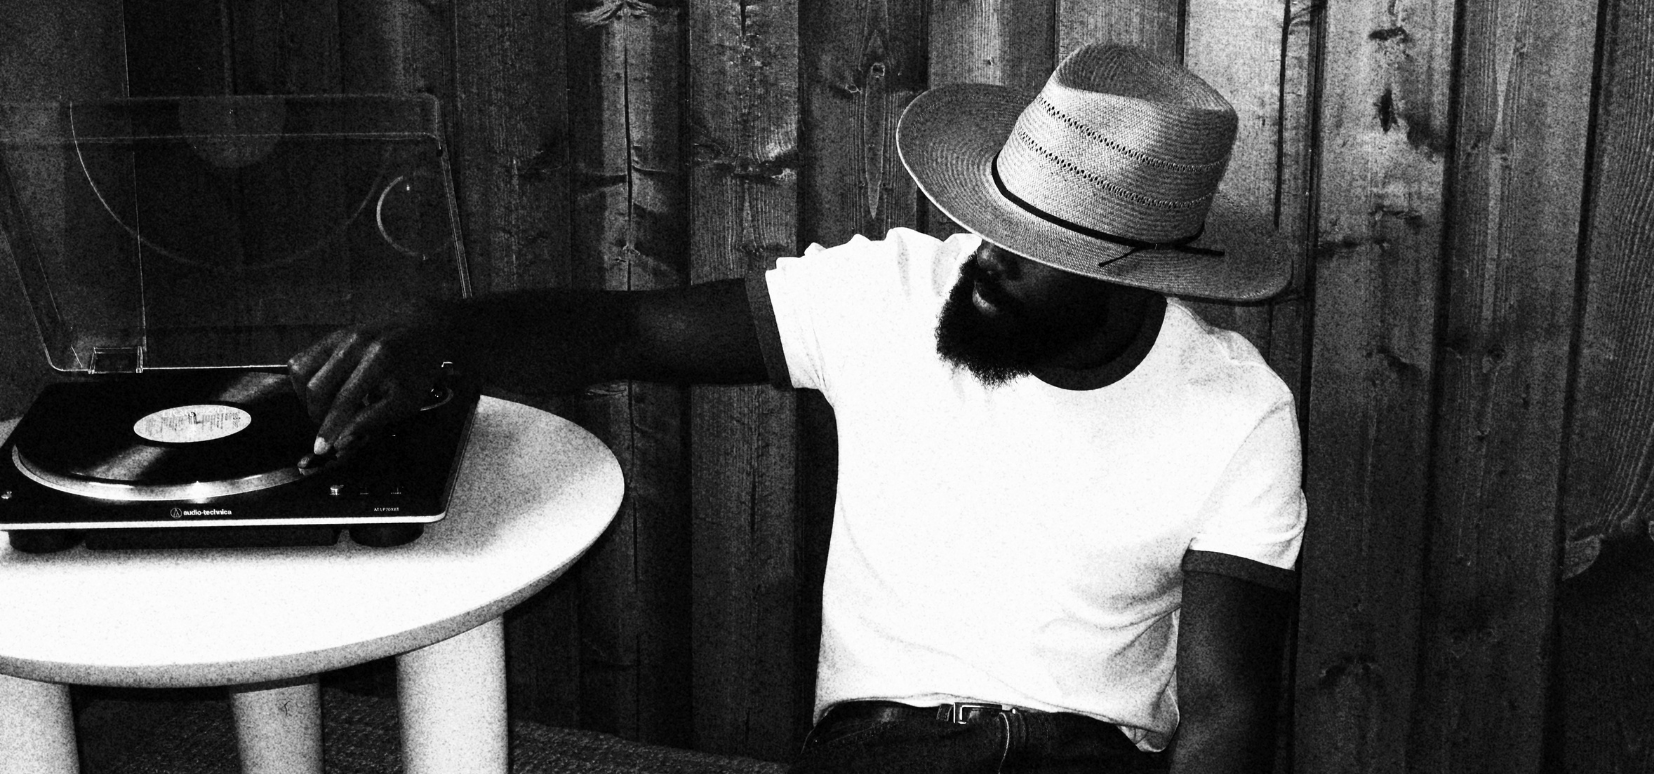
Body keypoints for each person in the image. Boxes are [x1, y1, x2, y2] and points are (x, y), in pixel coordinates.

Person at [291, 43, 1306, 774]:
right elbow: (629, 331)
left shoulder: (1238, 411)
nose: (985, 259)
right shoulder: (891, 295)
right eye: (995, 218)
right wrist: (443, 335)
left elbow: (1226, 714)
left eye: (1038, 250)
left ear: (1134, 275)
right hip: (886, 749)